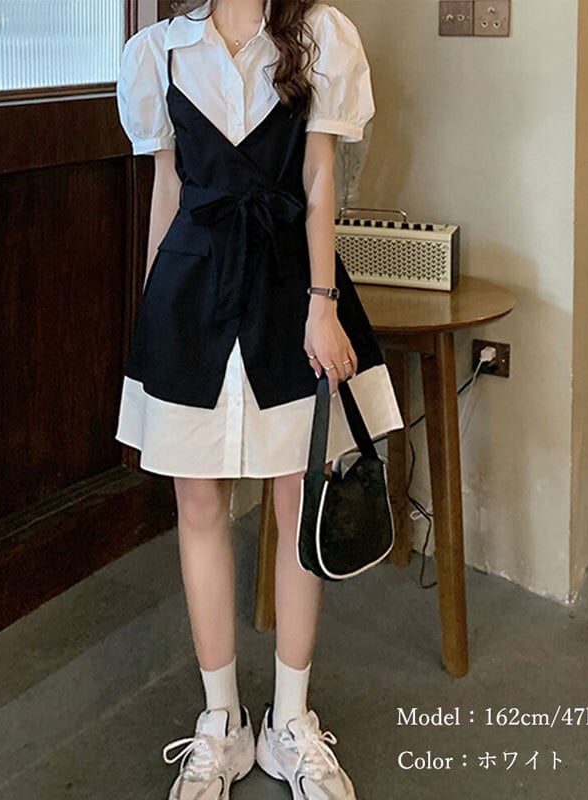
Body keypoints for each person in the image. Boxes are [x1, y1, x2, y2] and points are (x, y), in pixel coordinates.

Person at [115, 1, 403, 797]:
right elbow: (168, 187)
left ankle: (290, 723)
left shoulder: (321, 35)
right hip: (191, 293)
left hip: (290, 291)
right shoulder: (158, 52)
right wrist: (156, 312)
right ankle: (222, 723)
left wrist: (323, 303)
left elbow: (319, 179)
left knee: (297, 502)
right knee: (197, 502)